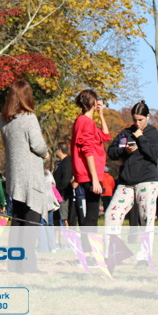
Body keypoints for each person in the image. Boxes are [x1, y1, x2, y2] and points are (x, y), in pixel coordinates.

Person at [0, 79, 49, 273]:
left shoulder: (4, 121)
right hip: (30, 176)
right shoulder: (29, 118)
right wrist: (46, 153)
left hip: (14, 176)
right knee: (31, 220)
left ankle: (14, 264)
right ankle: (28, 265)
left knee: (17, 221)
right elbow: (37, 144)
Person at [104, 101, 158, 263]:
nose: (137, 123)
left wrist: (141, 138)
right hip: (126, 182)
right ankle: (113, 254)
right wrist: (124, 150)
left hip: (147, 181)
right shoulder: (125, 133)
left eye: (140, 120)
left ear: (147, 117)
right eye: (135, 120)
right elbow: (111, 152)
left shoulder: (154, 134)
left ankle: (144, 256)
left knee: (146, 218)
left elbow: (153, 154)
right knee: (111, 215)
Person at [70, 89, 110, 228]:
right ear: (94, 103)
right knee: (92, 216)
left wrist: (101, 115)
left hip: (89, 174)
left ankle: (88, 241)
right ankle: (89, 242)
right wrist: (95, 178)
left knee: (91, 214)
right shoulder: (86, 122)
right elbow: (87, 150)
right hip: (89, 174)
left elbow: (105, 137)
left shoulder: (85, 122)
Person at [52, 143, 74, 229]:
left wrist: (57, 190)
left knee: (64, 218)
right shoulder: (60, 163)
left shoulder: (67, 162)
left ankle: (68, 235)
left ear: (60, 150)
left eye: (56, 149)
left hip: (63, 195)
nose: (55, 152)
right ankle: (57, 237)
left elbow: (66, 180)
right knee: (56, 218)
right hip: (57, 195)